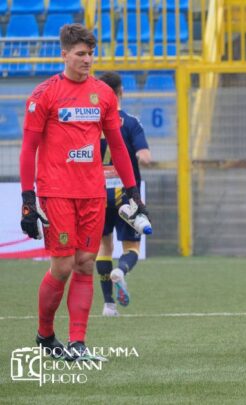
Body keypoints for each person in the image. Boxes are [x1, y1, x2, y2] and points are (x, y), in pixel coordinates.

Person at [20, 24, 147, 360]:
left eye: (91, 54)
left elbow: (118, 146)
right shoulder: (44, 94)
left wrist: (132, 191)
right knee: (62, 266)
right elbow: (28, 148)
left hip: (93, 193)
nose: (87, 60)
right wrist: (27, 198)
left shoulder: (103, 94)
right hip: (57, 192)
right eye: (80, 54)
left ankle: (78, 344)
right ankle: (46, 336)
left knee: (87, 264)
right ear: (64, 54)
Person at [95, 72, 152, 317]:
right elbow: (144, 155)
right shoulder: (130, 122)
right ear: (121, 92)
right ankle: (122, 271)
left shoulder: (91, 123)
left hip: (96, 193)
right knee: (132, 247)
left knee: (103, 247)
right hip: (126, 196)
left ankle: (108, 305)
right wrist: (143, 157)